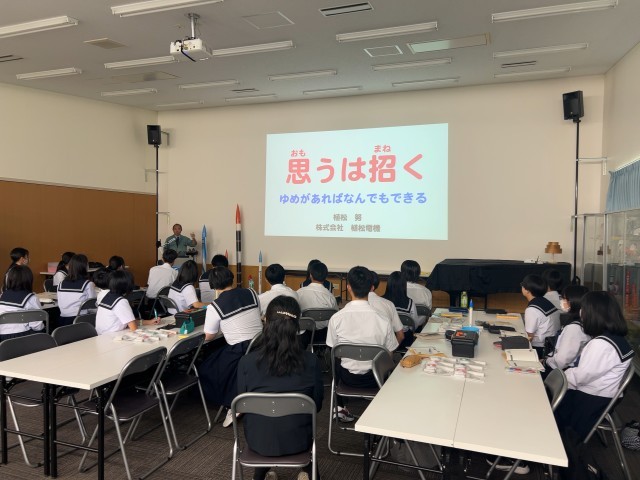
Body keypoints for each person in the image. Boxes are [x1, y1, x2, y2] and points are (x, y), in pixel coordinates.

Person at [237, 296, 323, 480]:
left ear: (266, 322)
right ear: (297, 326)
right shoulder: (311, 361)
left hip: (258, 441)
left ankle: (260, 474)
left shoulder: (246, 362)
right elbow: (317, 405)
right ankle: (309, 473)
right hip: (299, 441)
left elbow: (241, 405)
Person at [555, 291, 634, 441]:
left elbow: (581, 377)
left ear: (593, 313)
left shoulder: (601, 344)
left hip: (590, 399)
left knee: (546, 402)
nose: (581, 313)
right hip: (601, 396)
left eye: (583, 309)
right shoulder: (617, 338)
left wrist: (558, 377)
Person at [327, 266, 398, 422]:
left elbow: (333, 352)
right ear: (371, 287)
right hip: (375, 378)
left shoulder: (337, 318)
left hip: (346, 378)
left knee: (335, 357)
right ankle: (380, 416)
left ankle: (339, 407)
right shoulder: (383, 319)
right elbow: (389, 355)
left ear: (348, 287)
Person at [199, 266, 263, 427]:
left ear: (213, 285)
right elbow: (259, 314)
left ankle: (232, 404)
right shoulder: (252, 293)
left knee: (206, 368)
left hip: (239, 350)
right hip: (261, 343)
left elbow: (209, 336)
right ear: (231, 278)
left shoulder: (215, 306)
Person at [543, 285, 590, 373]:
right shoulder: (582, 322)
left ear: (574, 302)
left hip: (561, 371)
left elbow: (562, 360)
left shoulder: (574, 329)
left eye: (564, 299)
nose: (562, 301)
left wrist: (546, 362)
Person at [96, 270, 159, 334]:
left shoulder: (107, 296)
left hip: (102, 336)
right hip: (111, 337)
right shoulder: (121, 301)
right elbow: (134, 329)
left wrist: (149, 322)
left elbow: (129, 321)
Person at [297, 260, 338, 345]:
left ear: (310, 275)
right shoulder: (331, 297)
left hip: (305, 334)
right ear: (325, 277)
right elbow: (335, 316)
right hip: (324, 334)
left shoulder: (299, 293)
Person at [0, 265, 45, 341]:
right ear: (29, 279)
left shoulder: (2, 296)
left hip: (2, 337)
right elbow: (37, 326)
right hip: (23, 337)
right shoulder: (31, 298)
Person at [520, 274, 560, 358]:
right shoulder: (546, 301)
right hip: (552, 345)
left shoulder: (532, 309)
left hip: (540, 349)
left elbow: (529, 336)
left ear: (527, 291)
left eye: (522, 285)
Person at [57, 254, 97, 326]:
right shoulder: (88, 284)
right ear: (85, 266)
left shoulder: (61, 284)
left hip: (62, 320)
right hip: (80, 320)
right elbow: (92, 306)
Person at [368, 271, 404, 345]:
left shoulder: (347, 310)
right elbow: (401, 336)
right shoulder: (388, 304)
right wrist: (391, 350)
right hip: (383, 350)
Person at [400, 260, 432, 329]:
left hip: (397, 329)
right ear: (418, 274)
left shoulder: (396, 289)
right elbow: (428, 311)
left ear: (402, 273)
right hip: (419, 328)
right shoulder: (426, 291)